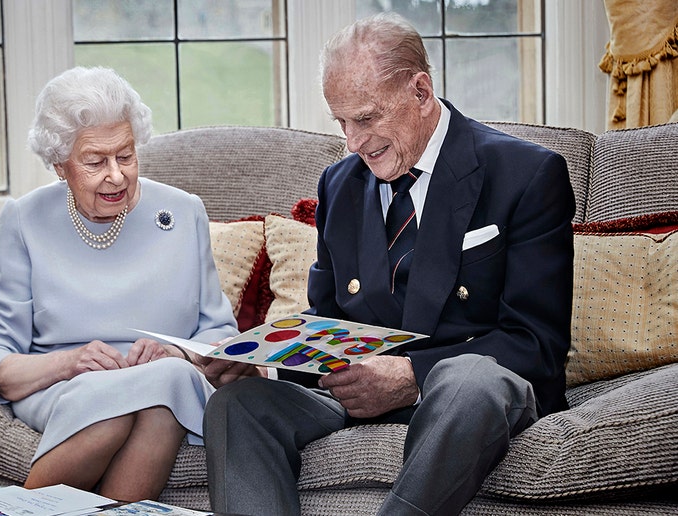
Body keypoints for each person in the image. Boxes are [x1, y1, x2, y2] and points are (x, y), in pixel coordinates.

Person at [201, 12, 575, 516]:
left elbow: (537, 345)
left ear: (421, 92)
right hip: (357, 395)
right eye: (341, 122)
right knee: (237, 406)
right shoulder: (339, 184)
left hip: (465, 397)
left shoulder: (526, 174)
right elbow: (329, 320)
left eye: (367, 118)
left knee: (470, 380)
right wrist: (265, 361)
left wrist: (411, 374)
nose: (353, 142)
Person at [0, 66, 244, 502]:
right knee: (126, 406)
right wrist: (71, 362)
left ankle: (15, 510)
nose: (116, 175)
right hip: (61, 384)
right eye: (95, 161)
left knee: (164, 389)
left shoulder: (183, 211)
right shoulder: (25, 219)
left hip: (164, 379)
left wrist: (174, 351)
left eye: (126, 155)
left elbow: (220, 335)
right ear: (60, 165)